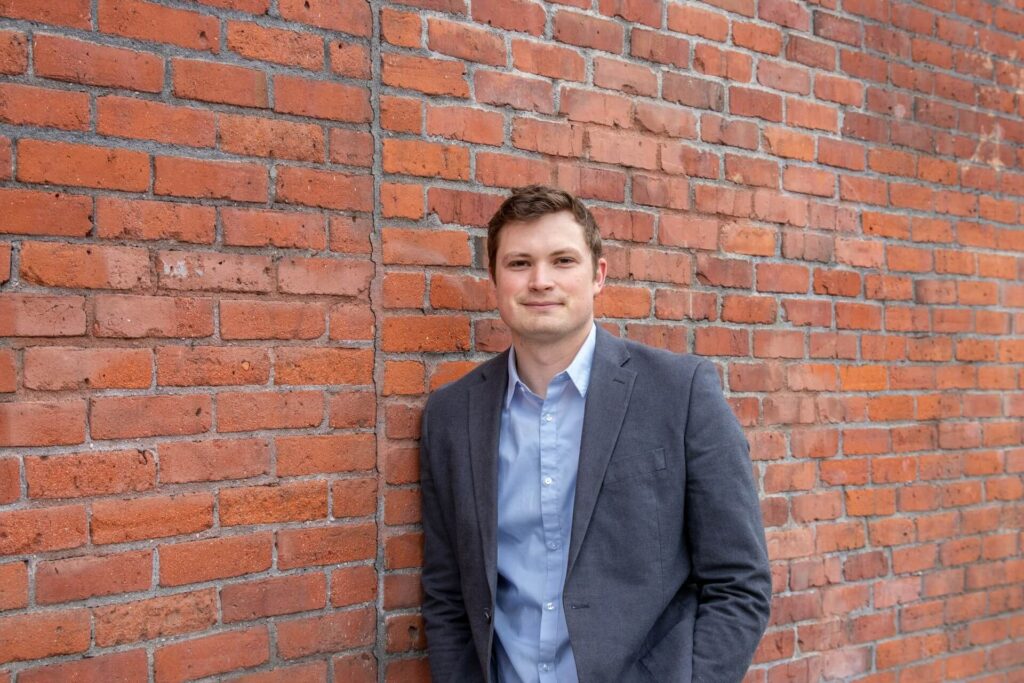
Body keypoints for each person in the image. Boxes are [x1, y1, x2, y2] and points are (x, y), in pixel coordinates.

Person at [418, 185, 772, 682]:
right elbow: (448, 593)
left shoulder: (680, 393)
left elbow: (740, 583)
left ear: (598, 275)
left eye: (563, 260)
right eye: (520, 263)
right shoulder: (452, 416)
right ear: (493, 280)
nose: (541, 281)